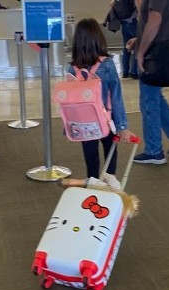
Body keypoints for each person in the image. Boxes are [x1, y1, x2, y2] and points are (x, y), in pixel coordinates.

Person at [67, 18, 136, 190]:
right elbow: (116, 97)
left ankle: (93, 186)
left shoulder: (72, 68)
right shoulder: (107, 65)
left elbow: (69, 101)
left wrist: (70, 125)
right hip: (106, 119)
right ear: (99, 39)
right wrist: (122, 127)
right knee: (110, 150)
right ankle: (110, 183)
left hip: (83, 123)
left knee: (90, 156)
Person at [130, 0, 169, 165]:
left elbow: (155, 20)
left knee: (148, 100)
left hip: (154, 54)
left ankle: (154, 151)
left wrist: (141, 52)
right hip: (162, 50)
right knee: (155, 97)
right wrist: (139, 39)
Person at [110, 0, 138, 79]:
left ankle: (125, 71)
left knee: (126, 48)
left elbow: (112, 3)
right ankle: (134, 71)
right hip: (134, 22)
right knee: (136, 46)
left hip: (124, 23)